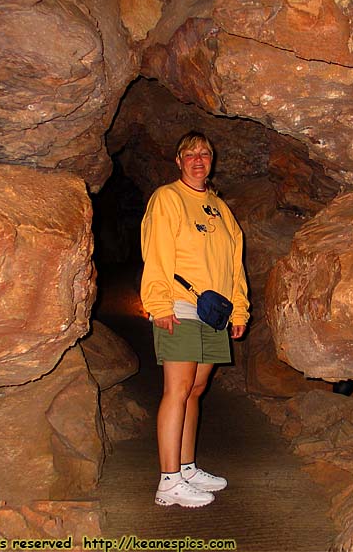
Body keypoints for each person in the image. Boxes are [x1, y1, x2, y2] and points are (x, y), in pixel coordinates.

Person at [140, 131, 250, 508]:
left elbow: (234, 264)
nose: (198, 160)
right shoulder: (168, 199)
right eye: (190, 154)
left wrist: (239, 308)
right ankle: (168, 481)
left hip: (213, 311)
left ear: (212, 160)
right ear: (179, 161)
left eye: (204, 153)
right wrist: (159, 304)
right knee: (178, 388)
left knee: (196, 390)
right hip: (181, 305)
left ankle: (186, 467)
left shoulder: (220, 209)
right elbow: (156, 253)